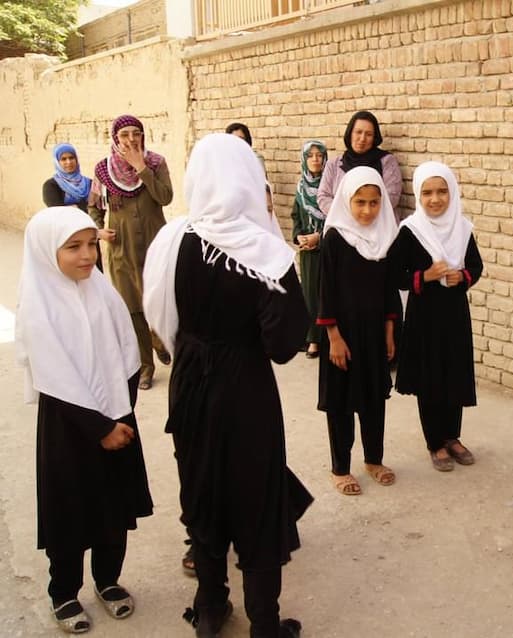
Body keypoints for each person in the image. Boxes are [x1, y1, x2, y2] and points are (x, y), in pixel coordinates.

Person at [143, 133, 312, 638]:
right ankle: (264, 623)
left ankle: (211, 607)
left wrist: (193, 345)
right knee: (256, 496)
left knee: (203, 486)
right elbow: (284, 344)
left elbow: (159, 315)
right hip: (245, 391)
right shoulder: (265, 252)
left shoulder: (173, 240)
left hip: (191, 381)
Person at [16, 206, 153, 634]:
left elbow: (127, 353)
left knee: (114, 508)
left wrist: (122, 414)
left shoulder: (102, 292)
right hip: (69, 432)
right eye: (73, 247)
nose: (87, 255)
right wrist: (100, 429)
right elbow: (55, 378)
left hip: (118, 418)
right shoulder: (39, 307)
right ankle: (64, 592)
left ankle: (108, 581)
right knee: (71, 513)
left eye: (91, 243)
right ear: (45, 252)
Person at [387, 161, 483, 471]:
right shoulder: (411, 231)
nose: (435, 199)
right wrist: (425, 276)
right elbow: (392, 273)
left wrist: (463, 277)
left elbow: (476, 266)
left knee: (454, 373)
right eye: (427, 192)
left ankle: (452, 436)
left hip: (454, 313)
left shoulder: (463, 229)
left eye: (442, 191)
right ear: (418, 194)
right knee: (430, 378)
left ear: (452, 193)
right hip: (424, 316)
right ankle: (434, 443)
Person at [317, 166, 401, 495]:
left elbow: (389, 290)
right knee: (340, 403)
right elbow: (325, 293)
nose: (367, 210)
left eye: (374, 203)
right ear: (346, 201)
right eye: (360, 202)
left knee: (373, 400)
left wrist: (390, 331)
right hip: (342, 337)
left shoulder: (385, 239)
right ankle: (340, 468)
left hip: (373, 334)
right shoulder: (336, 238)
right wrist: (333, 338)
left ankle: (373, 459)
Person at [89, 114, 172, 391]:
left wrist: (141, 168)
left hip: (155, 246)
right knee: (133, 308)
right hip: (121, 250)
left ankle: (160, 338)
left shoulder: (156, 163)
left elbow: (165, 197)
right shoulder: (103, 170)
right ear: (115, 138)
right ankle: (146, 366)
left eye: (136, 133)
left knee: (158, 300)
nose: (131, 139)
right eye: (124, 134)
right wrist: (98, 230)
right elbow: (94, 207)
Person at [317, 111, 402, 220]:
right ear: (350, 133)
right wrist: (348, 215)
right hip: (343, 225)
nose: (362, 138)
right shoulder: (334, 165)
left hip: (378, 226)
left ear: (374, 137)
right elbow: (323, 196)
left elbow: (392, 197)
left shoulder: (386, 162)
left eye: (368, 134)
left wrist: (364, 214)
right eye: (358, 132)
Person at [291, 140, 328, 358]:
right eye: (310, 155)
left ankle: (328, 337)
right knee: (310, 295)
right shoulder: (300, 189)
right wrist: (299, 237)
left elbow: (336, 217)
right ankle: (313, 339)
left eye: (319, 155)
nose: (315, 159)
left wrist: (319, 237)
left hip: (327, 247)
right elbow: (295, 216)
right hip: (307, 252)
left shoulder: (329, 187)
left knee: (327, 292)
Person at [42, 143, 103, 270]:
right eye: (63, 159)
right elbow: (58, 212)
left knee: (94, 275)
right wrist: (84, 208)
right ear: (57, 162)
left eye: (71, 158)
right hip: (67, 238)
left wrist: (74, 207)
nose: (68, 162)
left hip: (90, 237)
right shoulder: (51, 186)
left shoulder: (89, 183)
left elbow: (99, 209)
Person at [226, 122, 274, 217]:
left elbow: (262, 181)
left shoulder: (255, 158)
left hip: (252, 206)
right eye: (233, 139)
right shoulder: (225, 160)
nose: (237, 143)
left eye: (241, 139)